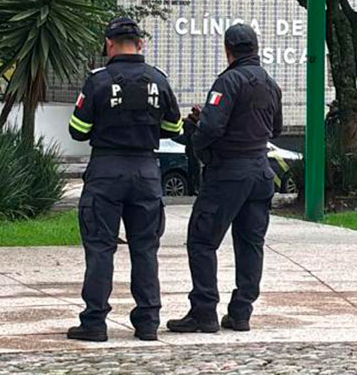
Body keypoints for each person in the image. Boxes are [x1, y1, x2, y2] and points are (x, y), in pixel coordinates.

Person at [66, 17, 183, 342]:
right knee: (145, 249)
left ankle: (94, 323)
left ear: (109, 44)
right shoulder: (158, 80)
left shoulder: (98, 81)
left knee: (101, 248)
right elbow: (175, 129)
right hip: (146, 171)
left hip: (106, 170)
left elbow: (78, 130)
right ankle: (147, 323)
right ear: (141, 44)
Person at [167, 23, 282, 334]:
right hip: (261, 172)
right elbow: (277, 129)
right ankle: (241, 312)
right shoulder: (271, 85)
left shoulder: (228, 81)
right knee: (250, 243)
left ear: (228, 50)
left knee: (202, 240)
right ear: (255, 49)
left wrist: (197, 139)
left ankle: (204, 312)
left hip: (229, 173)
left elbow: (212, 128)